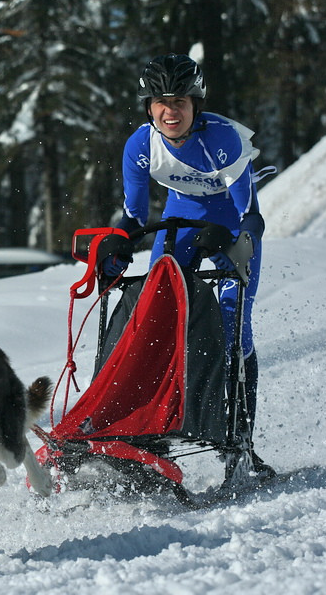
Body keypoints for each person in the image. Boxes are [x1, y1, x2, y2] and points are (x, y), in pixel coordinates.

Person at [103, 53, 275, 478]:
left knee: (236, 330)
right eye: (159, 101)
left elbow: (251, 215)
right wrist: (117, 250)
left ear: (196, 103)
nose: (169, 110)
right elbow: (135, 217)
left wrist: (241, 244)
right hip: (179, 222)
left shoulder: (222, 138)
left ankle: (240, 442)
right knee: (156, 316)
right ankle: (149, 429)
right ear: (148, 107)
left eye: (179, 100)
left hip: (230, 228)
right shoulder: (140, 145)